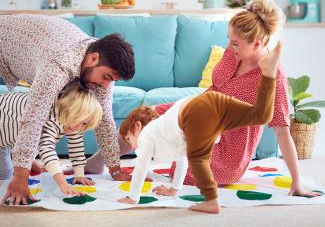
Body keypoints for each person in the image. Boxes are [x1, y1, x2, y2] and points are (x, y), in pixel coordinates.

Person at [147, 0, 320, 198]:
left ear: (256, 44)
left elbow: (282, 132)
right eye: (229, 39)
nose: (228, 46)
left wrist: (296, 181)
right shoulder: (233, 52)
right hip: (200, 113)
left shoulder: (273, 76)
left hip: (229, 152)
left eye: (235, 43)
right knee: (146, 115)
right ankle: (112, 167)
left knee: (187, 166)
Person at [117, 42, 282, 214]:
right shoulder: (168, 135)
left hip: (197, 111)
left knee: (198, 158)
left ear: (137, 126)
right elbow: (181, 160)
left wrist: (133, 197)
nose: (132, 146)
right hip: (212, 102)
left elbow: (141, 168)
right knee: (260, 116)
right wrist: (174, 189)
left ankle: (211, 200)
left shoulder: (146, 135)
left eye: (129, 139)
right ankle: (268, 74)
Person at [0, 14, 135, 205]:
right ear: (93, 58)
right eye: (106, 77)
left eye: (111, 80)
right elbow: (34, 116)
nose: (106, 86)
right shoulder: (57, 65)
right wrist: (21, 175)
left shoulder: (102, 67)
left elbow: (104, 119)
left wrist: (115, 169)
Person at [0, 80, 103, 204]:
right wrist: (63, 184)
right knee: (5, 176)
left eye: (85, 126)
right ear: (71, 110)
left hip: (13, 139)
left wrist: (79, 174)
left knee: (11, 167)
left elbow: (76, 146)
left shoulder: (71, 120)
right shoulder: (50, 118)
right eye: (83, 123)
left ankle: (14, 154)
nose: (81, 129)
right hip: (3, 130)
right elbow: (46, 149)